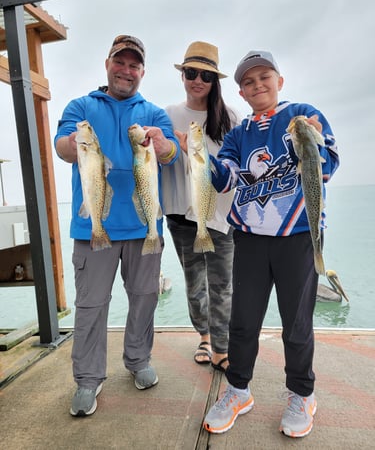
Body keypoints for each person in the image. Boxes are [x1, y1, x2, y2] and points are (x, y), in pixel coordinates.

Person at [203, 50, 339, 437]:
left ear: (280, 80)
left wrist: (313, 140)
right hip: (248, 239)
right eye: (248, 81)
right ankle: (237, 390)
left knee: (296, 323)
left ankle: (301, 393)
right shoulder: (239, 133)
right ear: (241, 93)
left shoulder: (302, 113)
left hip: (298, 237)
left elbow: (328, 166)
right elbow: (224, 179)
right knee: (242, 322)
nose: (257, 85)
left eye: (265, 77)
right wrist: (198, 158)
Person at [54, 35, 179, 417]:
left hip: (145, 226)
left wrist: (162, 146)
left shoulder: (154, 113)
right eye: (120, 62)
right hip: (95, 227)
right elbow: (61, 146)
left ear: (143, 71)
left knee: (145, 298)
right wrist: (75, 144)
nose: (127, 70)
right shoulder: (82, 106)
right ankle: (88, 379)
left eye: (134, 65)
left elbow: (171, 153)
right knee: (91, 305)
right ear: (107, 63)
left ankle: (138, 360)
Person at [161, 41, 242, 372]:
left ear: (215, 81)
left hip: (220, 216)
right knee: (195, 287)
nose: (197, 80)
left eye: (205, 75)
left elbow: (240, 168)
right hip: (181, 215)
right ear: (183, 75)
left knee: (222, 287)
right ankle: (205, 337)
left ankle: (222, 346)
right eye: (191, 73)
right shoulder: (168, 115)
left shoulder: (231, 117)